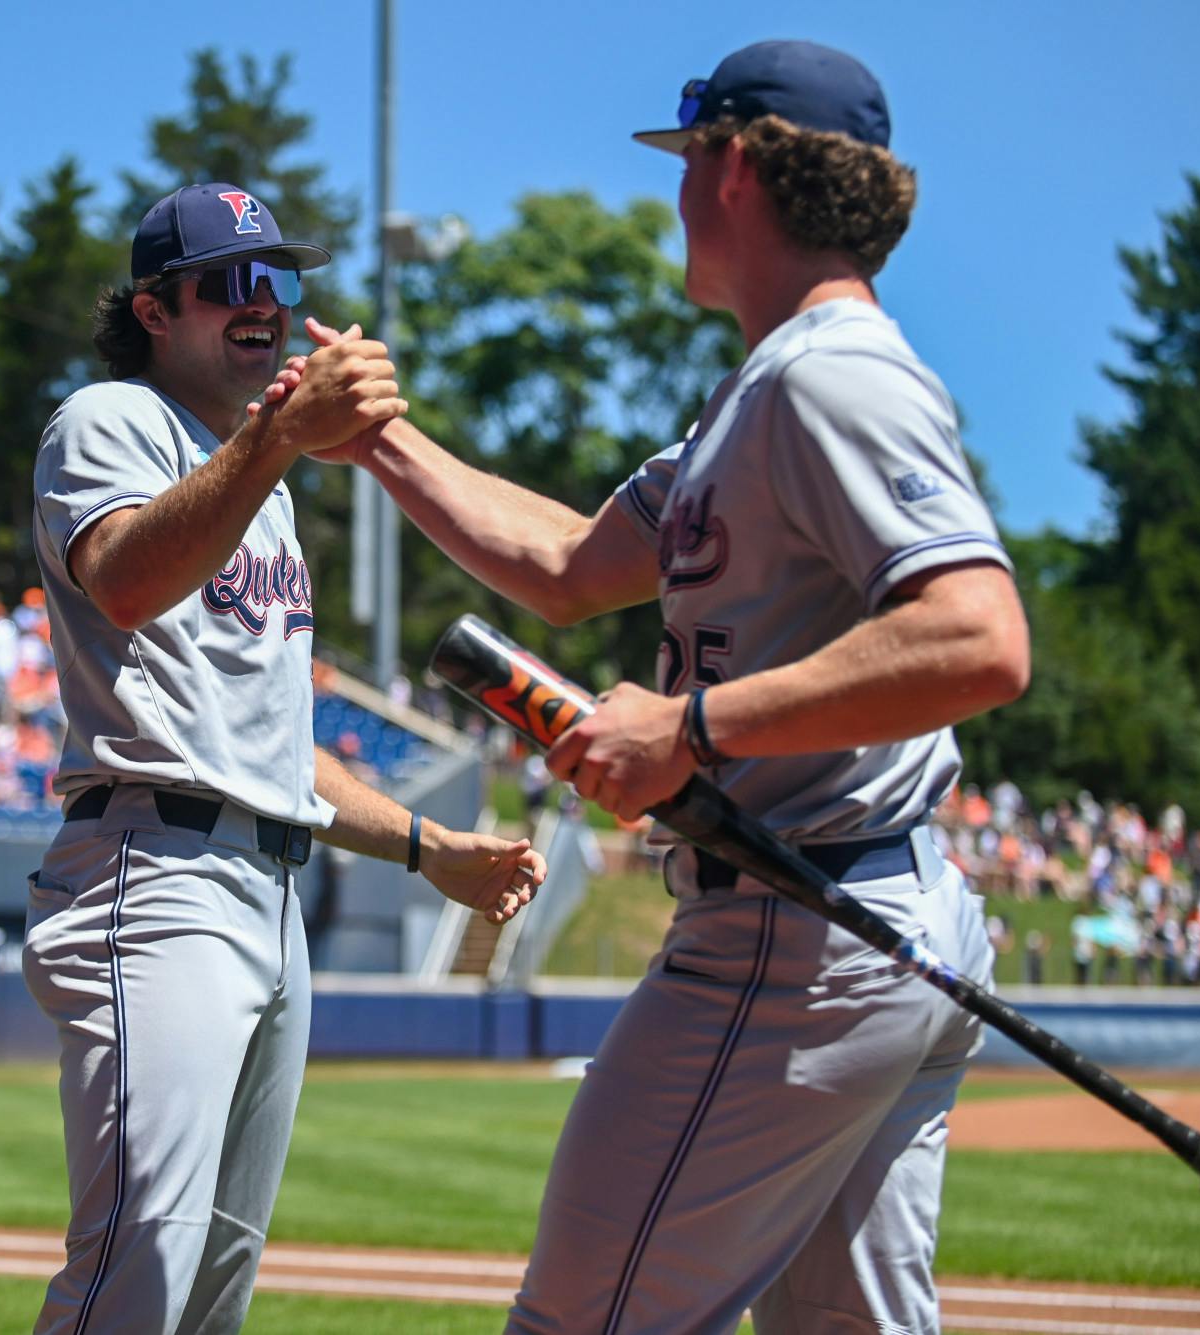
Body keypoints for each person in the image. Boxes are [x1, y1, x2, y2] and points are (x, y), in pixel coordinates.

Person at [272, 41, 1029, 1333]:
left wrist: (687, 726)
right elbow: (566, 565)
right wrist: (380, 441)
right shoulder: (759, 393)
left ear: (733, 167)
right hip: (868, 910)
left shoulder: (829, 372)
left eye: (686, 165)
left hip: (797, 926)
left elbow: (977, 637)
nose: (676, 193)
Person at [23, 182, 546, 1335]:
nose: (261, 306)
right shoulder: (111, 419)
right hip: (152, 870)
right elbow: (121, 577)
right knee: (138, 1267)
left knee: (216, 1282)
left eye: (280, 281)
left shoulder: (256, 487)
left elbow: (274, 746)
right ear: (155, 310)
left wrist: (427, 847)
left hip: (266, 892)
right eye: (228, 284)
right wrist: (277, 435)